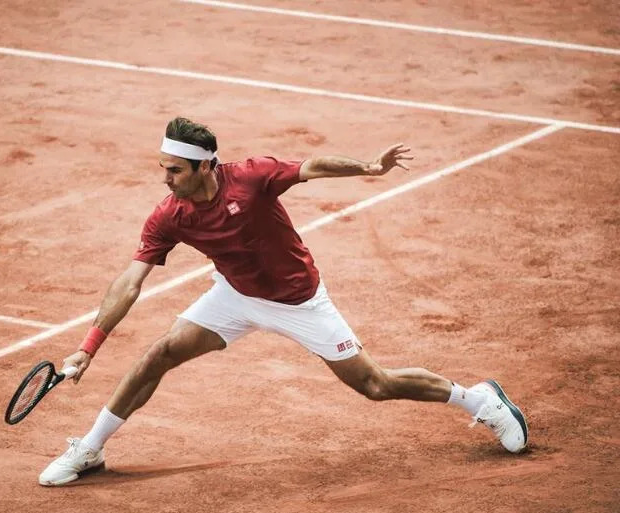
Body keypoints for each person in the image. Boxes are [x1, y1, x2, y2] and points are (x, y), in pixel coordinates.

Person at [38, 117, 528, 486]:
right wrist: (89, 345)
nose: (166, 179)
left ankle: (480, 399)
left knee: (375, 385)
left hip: (300, 302)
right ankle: (91, 448)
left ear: (205, 166)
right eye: (163, 169)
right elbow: (130, 281)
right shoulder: (169, 216)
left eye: (175, 170)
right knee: (159, 353)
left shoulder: (251, 178)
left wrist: (370, 168)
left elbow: (311, 167)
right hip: (234, 296)